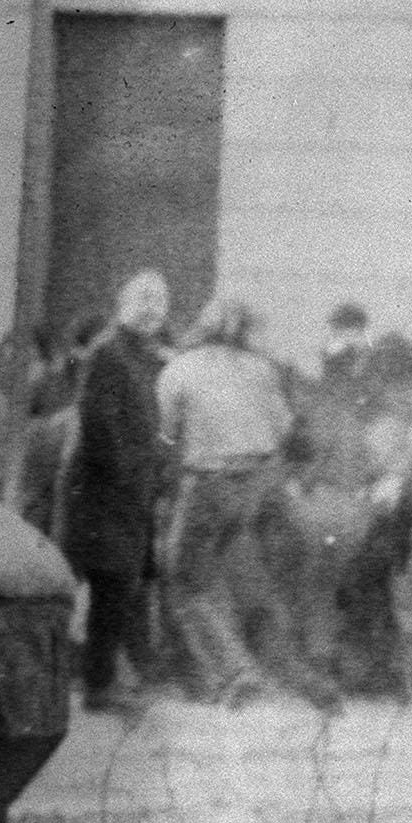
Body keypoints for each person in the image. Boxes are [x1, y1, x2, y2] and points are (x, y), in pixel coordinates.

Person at [156, 295, 336, 710]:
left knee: (187, 583)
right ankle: (297, 675)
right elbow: (286, 431)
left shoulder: (180, 368)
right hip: (255, 485)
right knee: (245, 578)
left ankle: (236, 672)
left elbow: (164, 434)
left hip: (206, 481)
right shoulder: (262, 370)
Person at [60, 269, 171, 714]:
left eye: (159, 301)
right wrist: (129, 472)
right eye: (142, 299)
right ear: (122, 303)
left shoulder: (149, 356)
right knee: (107, 584)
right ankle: (97, 685)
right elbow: (98, 423)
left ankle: (105, 680)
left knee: (121, 586)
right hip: (103, 491)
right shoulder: (108, 352)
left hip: (131, 492)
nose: (151, 309)